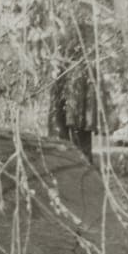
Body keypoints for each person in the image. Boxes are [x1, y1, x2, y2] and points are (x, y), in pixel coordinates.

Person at [48, 23, 100, 161]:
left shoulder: (86, 64)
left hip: (79, 111)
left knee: (82, 145)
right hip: (69, 109)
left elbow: (91, 93)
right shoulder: (63, 64)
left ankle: (84, 167)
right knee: (67, 144)